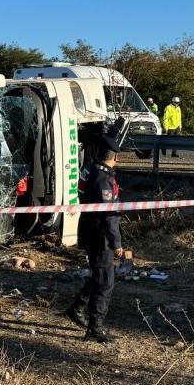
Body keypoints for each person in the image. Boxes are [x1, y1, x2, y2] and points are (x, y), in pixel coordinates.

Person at [64, 135, 123, 343]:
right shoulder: (103, 179)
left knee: (99, 274)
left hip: (89, 230)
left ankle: (77, 308)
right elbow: (109, 215)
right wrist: (117, 244)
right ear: (114, 156)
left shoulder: (90, 168)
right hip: (100, 236)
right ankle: (95, 327)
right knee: (105, 281)